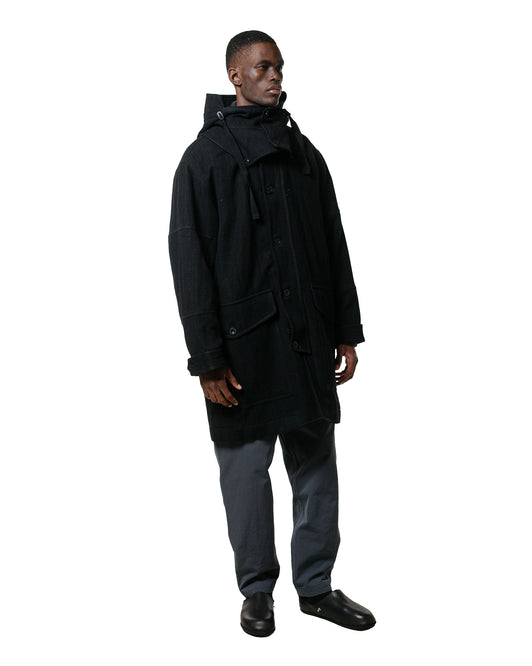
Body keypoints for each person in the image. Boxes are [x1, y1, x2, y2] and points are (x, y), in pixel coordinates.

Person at [168, 30, 376, 637]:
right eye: (262, 67)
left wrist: (346, 330)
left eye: (278, 66)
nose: (275, 76)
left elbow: (334, 243)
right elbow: (188, 261)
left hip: (307, 336)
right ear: (235, 76)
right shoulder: (203, 159)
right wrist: (207, 358)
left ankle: (317, 588)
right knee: (244, 474)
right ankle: (257, 591)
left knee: (316, 466)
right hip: (241, 348)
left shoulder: (304, 152)